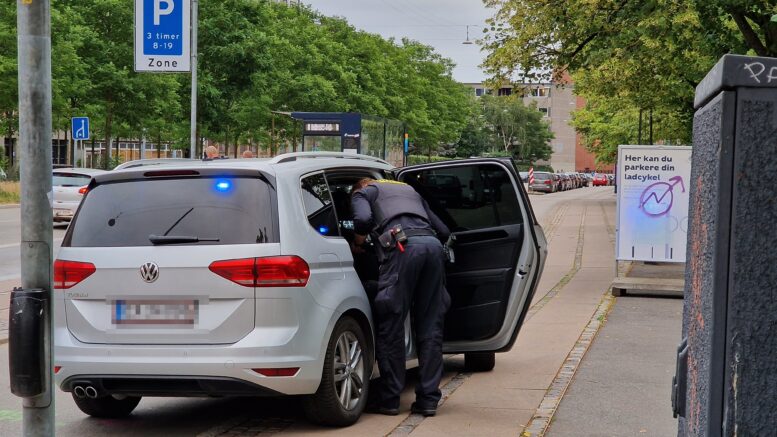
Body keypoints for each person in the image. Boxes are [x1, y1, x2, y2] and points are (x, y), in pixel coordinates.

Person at [351, 177, 450, 417]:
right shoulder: (409, 191)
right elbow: (444, 231)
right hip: (433, 248)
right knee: (431, 326)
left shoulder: (363, 193)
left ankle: (389, 400)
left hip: (403, 249)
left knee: (391, 322)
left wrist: (358, 241)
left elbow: (362, 221)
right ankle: (428, 400)